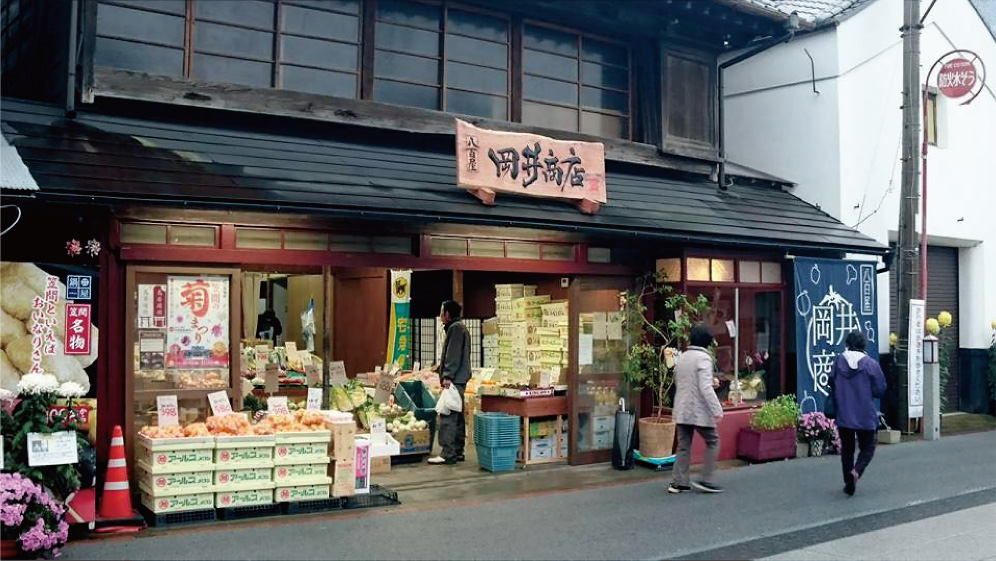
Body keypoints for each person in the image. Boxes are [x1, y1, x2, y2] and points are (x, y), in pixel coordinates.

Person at [669, 324, 725, 494]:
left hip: (682, 407)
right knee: (713, 441)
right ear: (707, 342)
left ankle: (679, 482)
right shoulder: (704, 358)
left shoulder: (683, 357)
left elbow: (680, 381)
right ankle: (707, 479)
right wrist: (717, 409)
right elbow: (705, 387)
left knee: (684, 445)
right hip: (698, 409)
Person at [831, 330, 887, 496]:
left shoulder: (838, 361)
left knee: (847, 449)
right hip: (865, 415)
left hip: (844, 414)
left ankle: (848, 482)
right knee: (868, 447)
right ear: (864, 346)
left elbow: (830, 381)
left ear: (847, 344)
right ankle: (856, 471)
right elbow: (880, 389)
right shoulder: (871, 364)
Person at [428, 300, 472, 466]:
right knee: (457, 414)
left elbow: (453, 355)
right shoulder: (460, 328)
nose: (440, 316)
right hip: (459, 379)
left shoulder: (455, 328)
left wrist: (447, 376)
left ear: (447, 314)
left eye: (441, 312)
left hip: (453, 380)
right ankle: (458, 451)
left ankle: (447, 453)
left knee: (447, 415)